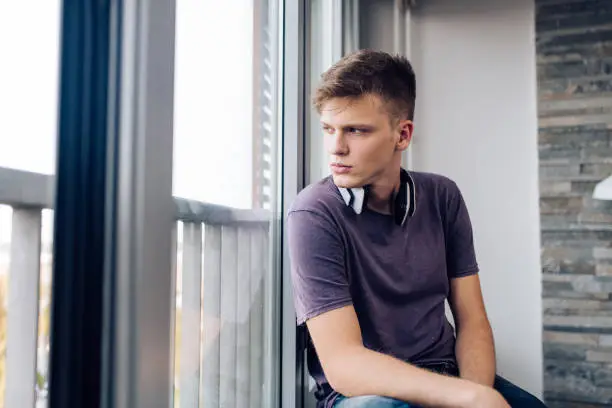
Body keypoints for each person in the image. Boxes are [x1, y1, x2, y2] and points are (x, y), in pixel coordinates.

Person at [287, 49, 546, 408]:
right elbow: (344, 364)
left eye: (356, 131)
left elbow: (472, 322)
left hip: (445, 373)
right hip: (366, 393)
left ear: (402, 135)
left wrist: (475, 393)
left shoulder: (442, 196)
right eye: (329, 129)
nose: (336, 148)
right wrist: (466, 396)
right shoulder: (314, 212)